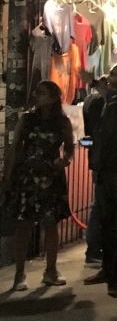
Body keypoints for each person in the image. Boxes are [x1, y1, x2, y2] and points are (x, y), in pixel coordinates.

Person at [2, 81, 74, 291]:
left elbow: (69, 148)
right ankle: (19, 273)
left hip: (51, 176)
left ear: (53, 97)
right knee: (23, 224)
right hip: (27, 175)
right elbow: (15, 147)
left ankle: (50, 271)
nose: (38, 96)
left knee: (50, 224)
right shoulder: (28, 119)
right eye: (37, 93)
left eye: (43, 93)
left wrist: (65, 160)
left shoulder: (62, 121)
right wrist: (8, 175)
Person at [85, 63, 117, 293]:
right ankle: (111, 270)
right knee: (110, 221)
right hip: (107, 168)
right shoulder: (101, 102)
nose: (110, 78)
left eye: (115, 75)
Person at [82, 75, 110, 267]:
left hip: (98, 158)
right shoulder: (100, 102)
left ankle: (95, 249)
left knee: (99, 204)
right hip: (105, 160)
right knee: (101, 205)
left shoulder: (89, 100)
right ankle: (94, 250)